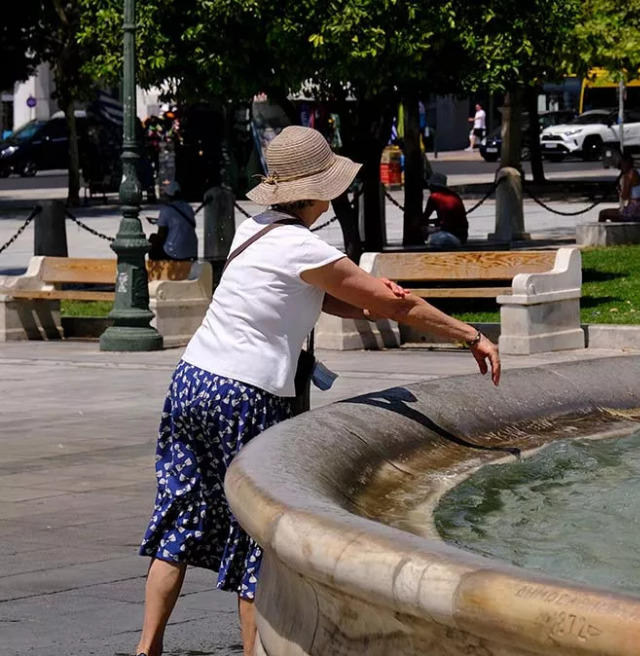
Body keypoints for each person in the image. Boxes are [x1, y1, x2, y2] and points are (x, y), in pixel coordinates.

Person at [132, 126, 501, 656]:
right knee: (257, 537)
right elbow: (391, 305)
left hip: (192, 380)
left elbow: (320, 298)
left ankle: (146, 649)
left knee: (181, 513)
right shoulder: (304, 246)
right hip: (246, 392)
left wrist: (371, 300)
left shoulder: (253, 229)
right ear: (321, 190)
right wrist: (471, 335)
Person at [598, 151, 640, 223]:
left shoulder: (629, 175)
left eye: (621, 165)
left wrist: (620, 190)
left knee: (603, 213)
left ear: (625, 163)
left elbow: (624, 196)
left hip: (632, 213)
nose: (621, 168)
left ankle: (600, 233)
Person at [148, 181, 198, 261]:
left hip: (173, 252)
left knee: (153, 238)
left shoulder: (166, 209)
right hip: (191, 251)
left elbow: (161, 234)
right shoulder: (188, 207)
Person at [422, 177, 469, 248]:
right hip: (462, 236)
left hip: (449, 235)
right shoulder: (454, 195)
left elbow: (425, 218)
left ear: (435, 186)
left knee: (424, 232)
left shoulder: (434, 197)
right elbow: (450, 217)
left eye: (430, 185)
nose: (429, 188)